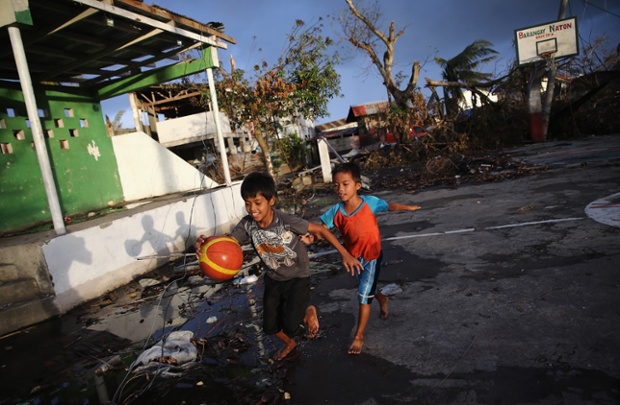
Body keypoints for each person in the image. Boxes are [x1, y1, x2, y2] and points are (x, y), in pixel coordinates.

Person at [195, 171, 362, 361]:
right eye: (247, 203)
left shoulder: (285, 221)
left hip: (297, 276)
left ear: (271, 200)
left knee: (291, 325)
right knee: (270, 327)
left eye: (258, 203)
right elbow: (227, 245)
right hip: (274, 278)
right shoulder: (247, 225)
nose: (252, 209)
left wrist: (345, 254)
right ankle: (290, 343)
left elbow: (321, 229)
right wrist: (206, 244)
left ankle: (309, 311)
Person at [317, 162, 421, 355]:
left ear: (357, 185)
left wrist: (408, 207)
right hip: (353, 259)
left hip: (372, 256)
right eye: (336, 185)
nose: (340, 189)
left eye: (345, 184)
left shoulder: (370, 203)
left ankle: (359, 336)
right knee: (368, 289)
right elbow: (321, 229)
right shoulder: (336, 211)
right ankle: (382, 300)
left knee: (363, 296)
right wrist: (309, 236)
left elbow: (390, 206)